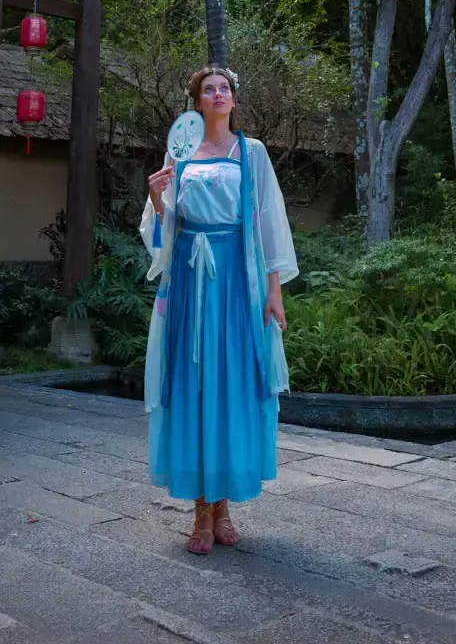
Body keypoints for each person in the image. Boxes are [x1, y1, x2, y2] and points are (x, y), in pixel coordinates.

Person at [139, 66, 298, 555]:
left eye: (225, 88)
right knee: (195, 385)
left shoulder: (251, 153)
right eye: (209, 89)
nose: (218, 94)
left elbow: (268, 221)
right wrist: (156, 198)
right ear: (197, 101)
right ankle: (200, 514)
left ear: (233, 99)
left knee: (229, 385)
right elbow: (167, 225)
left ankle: (225, 507)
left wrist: (274, 290)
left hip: (237, 280)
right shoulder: (180, 153)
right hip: (190, 278)